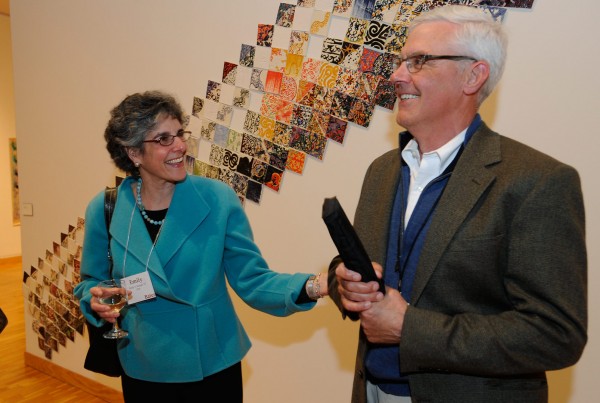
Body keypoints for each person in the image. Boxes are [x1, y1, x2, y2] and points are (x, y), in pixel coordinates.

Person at [327, 5, 587, 403]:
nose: (396, 76)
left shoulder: (537, 182)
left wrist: (410, 328)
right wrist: (343, 283)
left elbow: (555, 335)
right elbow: (357, 264)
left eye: (419, 61)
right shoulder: (382, 171)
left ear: (473, 75)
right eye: (400, 62)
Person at [74, 90, 327, 402]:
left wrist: (314, 285)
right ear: (134, 153)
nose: (180, 145)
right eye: (163, 139)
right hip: (143, 364)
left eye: (180, 133)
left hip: (211, 363)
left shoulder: (216, 199)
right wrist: (95, 299)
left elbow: (253, 279)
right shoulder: (105, 207)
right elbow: (90, 282)